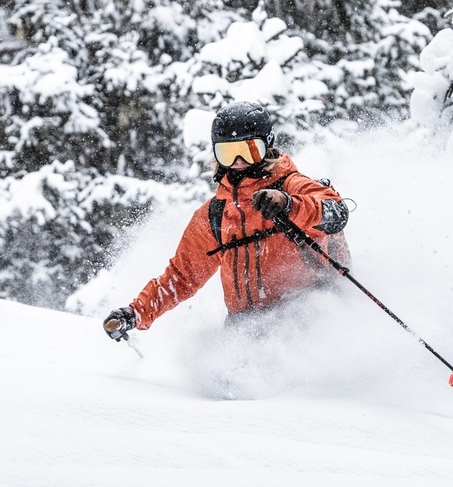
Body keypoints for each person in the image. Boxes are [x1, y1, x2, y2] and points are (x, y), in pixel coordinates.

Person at [103, 101, 350, 341]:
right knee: (218, 380)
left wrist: (289, 204)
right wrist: (135, 313)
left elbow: (336, 213)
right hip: (245, 329)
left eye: (249, 150)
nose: (238, 161)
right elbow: (181, 277)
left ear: (268, 146)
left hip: (306, 313)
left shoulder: (292, 185)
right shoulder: (216, 214)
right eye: (228, 153)